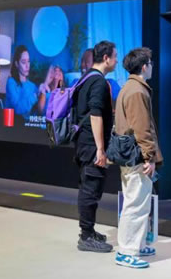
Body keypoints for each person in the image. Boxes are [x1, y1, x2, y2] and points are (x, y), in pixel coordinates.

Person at [114, 47, 163, 269]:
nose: (152, 66)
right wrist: (149, 157)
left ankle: (138, 244)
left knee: (137, 202)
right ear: (144, 67)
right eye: (150, 63)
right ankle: (126, 251)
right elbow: (142, 129)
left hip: (130, 156)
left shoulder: (129, 88)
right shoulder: (137, 91)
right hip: (137, 158)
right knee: (135, 205)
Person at [74, 41, 118, 253]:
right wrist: (100, 149)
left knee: (89, 187)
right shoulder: (99, 82)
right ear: (106, 58)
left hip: (83, 143)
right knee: (91, 189)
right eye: (115, 57)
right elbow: (95, 114)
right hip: (91, 145)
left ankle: (89, 231)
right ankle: (86, 236)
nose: (116, 61)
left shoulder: (86, 78)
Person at [5, 45, 38, 119]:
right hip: (14, 123)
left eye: (28, 61)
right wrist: (35, 96)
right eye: (23, 62)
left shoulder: (33, 86)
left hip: (30, 124)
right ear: (17, 64)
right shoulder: (11, 82)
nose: (27, 66)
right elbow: (18, 109)